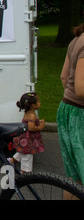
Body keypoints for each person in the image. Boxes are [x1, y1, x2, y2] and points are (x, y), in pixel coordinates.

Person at [58, 23, 84, 198]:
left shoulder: (76, 39)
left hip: (67, 109)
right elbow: (81, 88)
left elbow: (63, 77)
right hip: (80, 115)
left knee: (73, 178)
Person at [8, 92, 45, 173]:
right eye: (38, 101)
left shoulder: (28, 113)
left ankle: (11, 160)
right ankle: (24, 172)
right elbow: (31, 128)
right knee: (27, 155)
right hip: (28, 139)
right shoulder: (32, 115)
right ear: (33, 105)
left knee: (23, 152)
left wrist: (38, 122)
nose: (40, 103)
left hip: (25, 137)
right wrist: (40, 127)